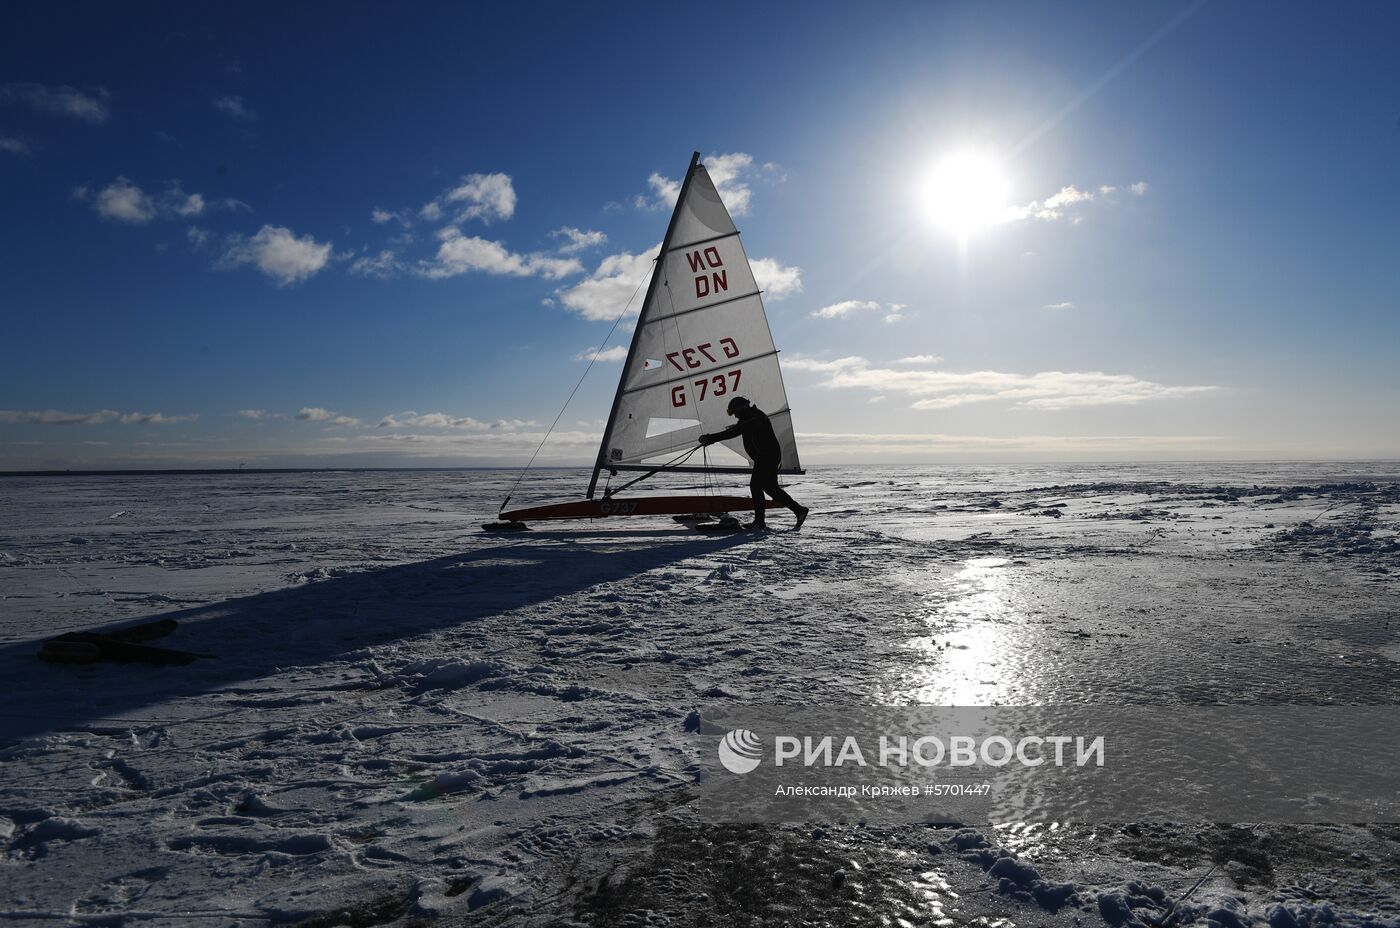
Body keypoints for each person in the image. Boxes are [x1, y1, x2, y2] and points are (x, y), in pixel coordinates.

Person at [699, 396, 809, 530]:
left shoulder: (753, 418)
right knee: (771, 488)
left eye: (735, 413)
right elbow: (737, 429)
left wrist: (710, 438)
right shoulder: (750, 417)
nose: (735, 416)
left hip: (767, 458)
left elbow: (734, 432)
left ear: (741, 409)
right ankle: (799, 510)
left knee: (756, 487)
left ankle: (759, 522)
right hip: (767, 457)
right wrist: (712, 438)